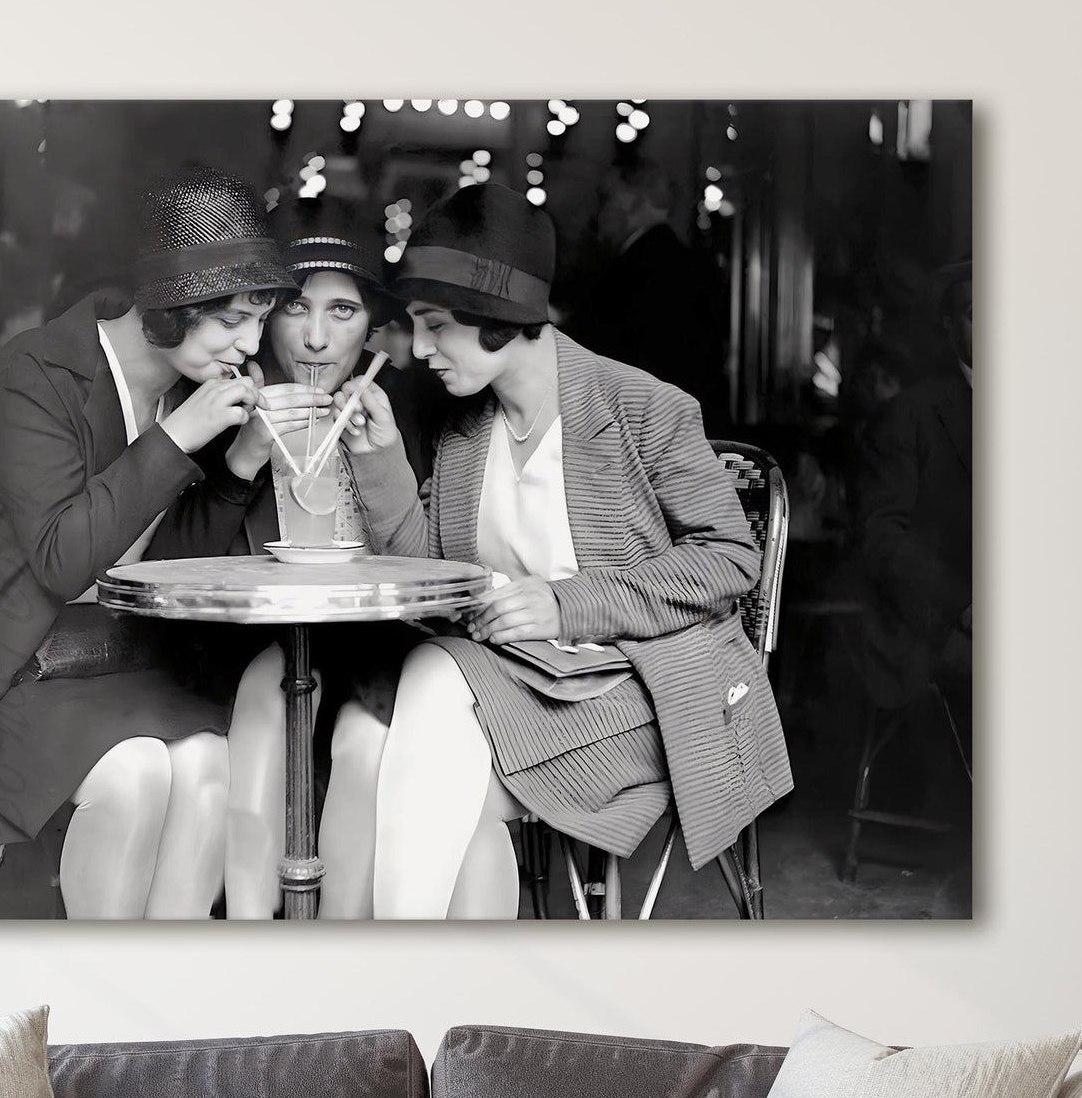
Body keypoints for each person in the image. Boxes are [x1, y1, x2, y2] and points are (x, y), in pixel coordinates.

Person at [322, 182, 793, 918]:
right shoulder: (463, 427)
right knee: (415, 766)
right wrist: (381, 457)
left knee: (424, 681)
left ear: (501, 317)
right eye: (415, 325)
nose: (416, 350)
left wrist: (564, 604)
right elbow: (430, 572)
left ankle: (383, 996)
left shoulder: (642, 406)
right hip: (506, 683)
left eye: (435, 325)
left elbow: (731, 556)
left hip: (634, 695)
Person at [0, 165, 299, 918]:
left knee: (209, 762)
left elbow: (161, 570)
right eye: (232, 318)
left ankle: (163, 1005)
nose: (251, 344)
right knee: (136, 773)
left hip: (106, 662)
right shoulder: (34, 376)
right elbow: (63, 558)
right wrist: (179, 437)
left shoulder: (182, 386)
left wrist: (236, 466)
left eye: (260, 319)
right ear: (168, 306)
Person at [147, 196, 424, 917]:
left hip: (376, 649)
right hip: (236, 651)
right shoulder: (214, 406)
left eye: (343, 312)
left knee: (364, 741)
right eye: (296, 308)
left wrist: (388, 464)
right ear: (265, 314)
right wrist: (239, 464)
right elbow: (170, 564)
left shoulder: (406, 414)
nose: (314, 338)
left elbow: (438, 567)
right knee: (272, 681)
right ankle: (252, 929)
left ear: (373, 325)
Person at [855, 261, 972, 713]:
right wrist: (963, 605)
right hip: (934, 634)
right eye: (977, 314)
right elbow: (880, 538)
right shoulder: (910, 415)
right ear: (948, 328)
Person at [570, 162, 731, 435]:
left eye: (607, 199)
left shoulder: (632, 271)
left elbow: (598, 356)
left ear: (634, 203)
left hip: (644, 434)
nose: (600, 213)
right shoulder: (690, 264)